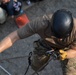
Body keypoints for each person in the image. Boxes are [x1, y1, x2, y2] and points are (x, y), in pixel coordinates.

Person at [0, 9, 76, 75]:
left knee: (70, 72)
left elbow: (74, 50)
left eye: (62, 37)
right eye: (57, 36)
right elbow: (14, 36)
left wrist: (66, 54)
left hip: (68, 48)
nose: (59, 39)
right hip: (47, 44)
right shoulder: (41, 23)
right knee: (35, 66)